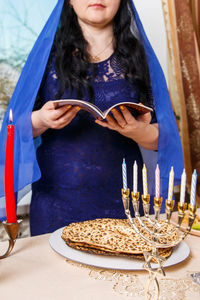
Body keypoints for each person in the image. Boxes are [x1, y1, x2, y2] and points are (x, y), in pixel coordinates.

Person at [0, 0, 184, 235]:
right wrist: (42, 120)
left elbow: (164, 139)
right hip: (56, 201)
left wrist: (139, 132)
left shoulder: (141, 58)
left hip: (125, 201)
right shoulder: (47, 57)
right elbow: (13, 128)